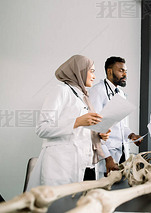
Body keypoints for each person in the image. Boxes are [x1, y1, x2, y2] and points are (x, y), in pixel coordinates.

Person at [27, 55, 109, 190]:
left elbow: (81, 132)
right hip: (61, 165)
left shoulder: (83, 97)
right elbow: (42, 128)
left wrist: (99, 136)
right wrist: (76, 122)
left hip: (86, 165)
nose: (94, 76)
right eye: (91, 71)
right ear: (79, 70)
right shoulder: (61, 91)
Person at [89, 56, 142, 175]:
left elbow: (120, 124)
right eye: (121, 70)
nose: (125, 74)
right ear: (109, 71)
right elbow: (94, 128)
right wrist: (107, 157)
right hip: (107, 155)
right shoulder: (98, 91)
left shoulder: (121, 94)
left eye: (126, 71)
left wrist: (131, 135)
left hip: (122, 151)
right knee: (105, 189)